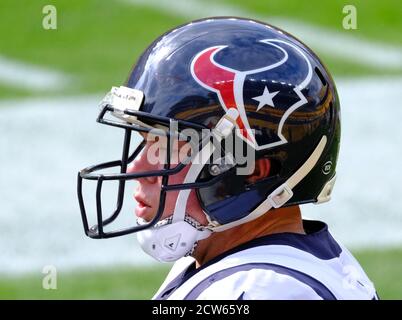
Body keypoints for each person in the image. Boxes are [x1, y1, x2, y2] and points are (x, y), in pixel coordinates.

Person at [77, 17, 378, 300]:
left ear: (251, 173)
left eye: (169, 150)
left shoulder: (261, 290)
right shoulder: (234, 262)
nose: (138, 168)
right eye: (146, 142)